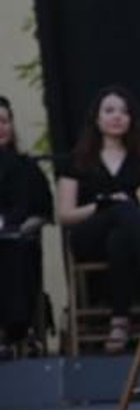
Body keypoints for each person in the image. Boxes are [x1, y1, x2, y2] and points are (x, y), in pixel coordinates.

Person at [55, 87, 140, 353]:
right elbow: (64, 214)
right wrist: (102, 206)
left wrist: (123, 206)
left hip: (130, 240)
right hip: (87, 236)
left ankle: (120, 321)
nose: (117, 116)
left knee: (120, 236)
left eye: (124, 112)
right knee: (119, 207)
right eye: (110, 110)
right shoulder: (78, 160)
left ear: (132, 120)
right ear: (96, 118)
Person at [0, 97, 52, 356]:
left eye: (4, 121)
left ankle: (14, 334)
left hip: (17, 240)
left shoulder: (27, 168)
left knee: (15, 252)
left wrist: (20, 229)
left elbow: (42, 213)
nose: (0, 127)